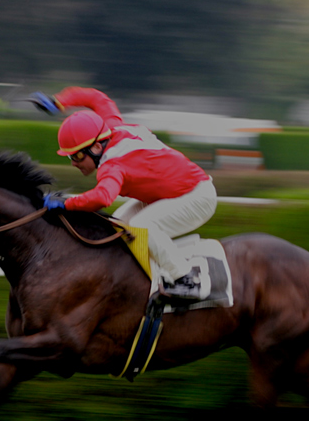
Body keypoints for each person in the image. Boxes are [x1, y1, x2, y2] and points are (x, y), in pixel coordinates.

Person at [30, 87, 217, 301]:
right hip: (172, 193)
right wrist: (60, 101)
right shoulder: (111, 126)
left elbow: (102, 197)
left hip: (196, 196)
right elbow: (97, 98)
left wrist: (67, 203)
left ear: (97, 147)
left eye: (78, 155)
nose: (74, 163)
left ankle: (187, 279)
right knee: (119, 225)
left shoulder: (113, 165)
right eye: (70, 157)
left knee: (142, 226)